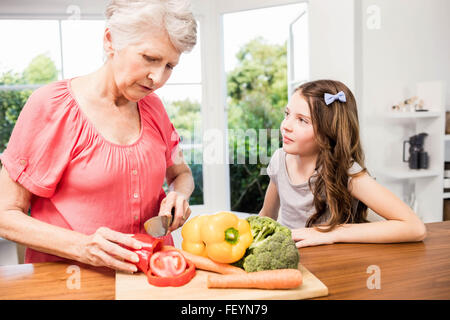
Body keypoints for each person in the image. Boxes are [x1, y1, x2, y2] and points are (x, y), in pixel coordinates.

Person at [0, 0, 197, 273]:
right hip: (73, 281)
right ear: (110, 41)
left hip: (152, 277)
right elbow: (5, 215)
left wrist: (179, 194)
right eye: (150, 58)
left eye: (169, 66)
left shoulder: (154, 108)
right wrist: (83, 246)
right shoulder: (52, 106)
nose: (158, 77)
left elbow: (181, 173)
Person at [260, 79, 427, 248]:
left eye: (302, 120)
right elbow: (266, 216)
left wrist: (332, 232)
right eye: (287, 114)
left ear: (328, 131)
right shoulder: (279, 160)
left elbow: (415, 227)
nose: (285, 126)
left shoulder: (346, 172)